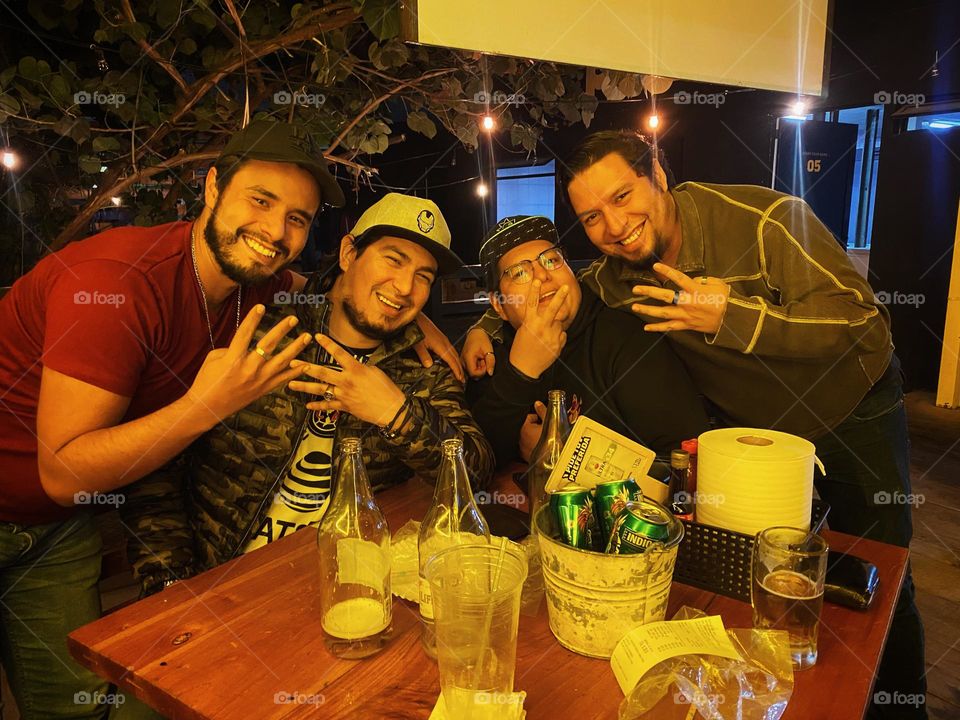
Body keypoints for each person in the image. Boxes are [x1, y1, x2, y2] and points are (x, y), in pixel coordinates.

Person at [463, 130, 925, 720]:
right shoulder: (617, 275)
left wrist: (732, 315)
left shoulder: (765, 221)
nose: (615, 226)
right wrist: (482, 326)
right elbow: (548, 288)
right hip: (746, 436)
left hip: (848, 410)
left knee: (883, 575)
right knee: (779, 577)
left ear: (658, 174)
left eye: (623, 196)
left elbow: (865, 324)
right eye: (593, 217)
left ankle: (904, 709)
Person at [0, 119, 349, 719]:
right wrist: (206, 406)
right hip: (52, 494)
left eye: (297, 218)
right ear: (212, 187)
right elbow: (63, 472)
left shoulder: (251, 282)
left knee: (76, 709)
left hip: (55, 531)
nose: (275, 232)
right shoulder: (116, 286)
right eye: (260, 201)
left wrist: (422, 318)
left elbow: (328, 288)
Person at [120, 193, 495, 597]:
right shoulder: (260, 332)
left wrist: (396, 413)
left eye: (424, 276)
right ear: (349, 253)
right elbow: (161, 463)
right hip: (224, 584)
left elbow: (475, 473)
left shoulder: (423, 369)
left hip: (352, 587)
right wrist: (170, 586)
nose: (405, 288)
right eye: (393, 259)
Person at [467, 215, 708, 468]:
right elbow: (477, 460)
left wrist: (572, 459)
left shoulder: (626, 340)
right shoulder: (489, 355)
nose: (542, 277)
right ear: (499, 306)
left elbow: (686, 461)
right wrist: (521, 372)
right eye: (519, 273)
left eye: (551, 260)